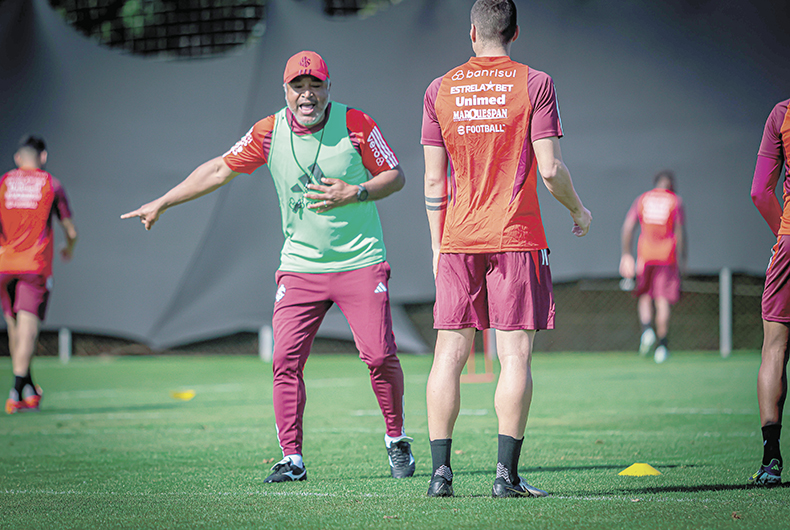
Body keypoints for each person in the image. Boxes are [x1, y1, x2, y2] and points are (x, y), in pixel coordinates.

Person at [122, 51, 414, 482]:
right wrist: (164, 201)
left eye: (315, 85)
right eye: (298, 86)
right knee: (284, 359)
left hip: (359, 262)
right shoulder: (268, 131)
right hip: (299, 267)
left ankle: (396, 439)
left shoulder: (356, 123)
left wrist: (356, 192)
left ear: (328, 88)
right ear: (286, 91)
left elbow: (395, 174)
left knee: (378, 355)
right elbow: (220, 168)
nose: (307, 94)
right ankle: (292, 459)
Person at [421, 0, 591, 498]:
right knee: (513, 357)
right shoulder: (535, 83)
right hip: (515, 237)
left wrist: (437, 245)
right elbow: (552, 170)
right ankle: (505, 477)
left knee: (448, 356)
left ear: (472, 32)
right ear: (515, 31)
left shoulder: (439, 89)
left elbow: (434, 179)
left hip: (457, 239)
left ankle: (440, 475)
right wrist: (579, 212)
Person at [2, 135, 78, 414]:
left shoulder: (4, 183)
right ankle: (17, 387)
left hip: (4, 265)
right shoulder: (50, 185)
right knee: (29, 329)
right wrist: (69, 247)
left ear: (17, 158)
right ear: (43, 157)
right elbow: (71, 231)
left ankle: (29, 386)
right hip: (34, 266)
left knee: (13, 325)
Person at [748, 97, 790, 487]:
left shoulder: (782, 113)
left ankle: (771, 460)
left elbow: (761, 192)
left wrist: (782, 234)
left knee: (775, 348)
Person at [619, 170, 686, 364]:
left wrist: (626, 255)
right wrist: (683, 261)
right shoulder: (675, 201)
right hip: (667, 257)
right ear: (671, 184)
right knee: (662, 300)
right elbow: (680, 232)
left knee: (644, 296)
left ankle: (647, 330)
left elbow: (628, 226)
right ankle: (662, 346)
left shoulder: (643, 199)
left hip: (645, 256)